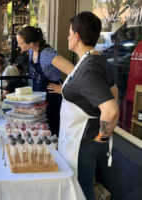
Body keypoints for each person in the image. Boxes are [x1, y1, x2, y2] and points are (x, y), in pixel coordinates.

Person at [58, 12, 119, 200]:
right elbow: (114, 92)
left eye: (69, 33)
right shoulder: (95, 59)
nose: (68, 37)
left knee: (81, 192)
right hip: (79, 139)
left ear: (77, 36)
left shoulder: (89, 69)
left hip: (81, 142)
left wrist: (102, 136)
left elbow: (111, 109)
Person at [17, 26, 74, 136]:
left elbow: (75, 71)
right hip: (39, 100)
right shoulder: (31, 51)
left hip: (52, 100)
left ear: (31, 43)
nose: (19, 46)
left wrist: (63, 89)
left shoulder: (47, 54)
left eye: (21, 43)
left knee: (52, 131)